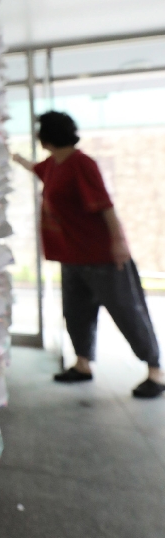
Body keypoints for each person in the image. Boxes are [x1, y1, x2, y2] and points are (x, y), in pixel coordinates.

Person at [13, 110, 164, 398]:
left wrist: (118, 243)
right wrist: (16, 159)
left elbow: (106, 206)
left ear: (48, 136)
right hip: (71, 256)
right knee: (76, 313)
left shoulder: (81, 164)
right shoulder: (54, 164)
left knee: (126, 311)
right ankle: (83, 365)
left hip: (101, 255)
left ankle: (155, 371)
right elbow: (36, 169)